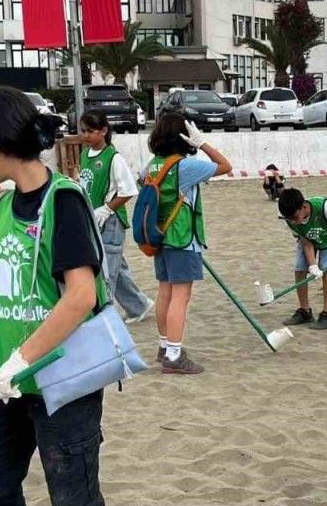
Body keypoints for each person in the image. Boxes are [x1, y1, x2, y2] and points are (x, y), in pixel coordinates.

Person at [0, 86, 109, 506]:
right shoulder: (3, 207)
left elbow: (81, 297)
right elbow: (7, 306)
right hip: (10, 383)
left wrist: (22, 360)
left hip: (63, 377)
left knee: (73, 495)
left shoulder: (63, 201)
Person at [143, 112, 233, 375]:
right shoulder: (184, 166)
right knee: (180, 297)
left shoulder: (153, 165)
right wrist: (202, 144)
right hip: (182, 238)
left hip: (160, 237)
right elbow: (225, 166)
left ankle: (164, 347)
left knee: (165, 292)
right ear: (183, 137)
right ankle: (174, 354)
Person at [77, 111, 154, 324]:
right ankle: (139, 306)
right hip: (91, 219)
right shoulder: (85, 154)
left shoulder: (114, 158)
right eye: (83, 131)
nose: (85, 135)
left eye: (90, 131)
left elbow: (128, 191)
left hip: (110, 222)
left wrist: (106, 210)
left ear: (103, 131)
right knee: (116, 267)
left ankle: (105, 315)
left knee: (106, 271)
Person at [277, 187, 327, 330]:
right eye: (290, 219)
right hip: (308, 239)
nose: (294, 222)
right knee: (299, 267)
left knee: (326, 268)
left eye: (296, 217)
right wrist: (312, 265)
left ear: (304, 206)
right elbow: (305, 242)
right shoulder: (289, 218)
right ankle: (305, 311)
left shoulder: (324, 207)